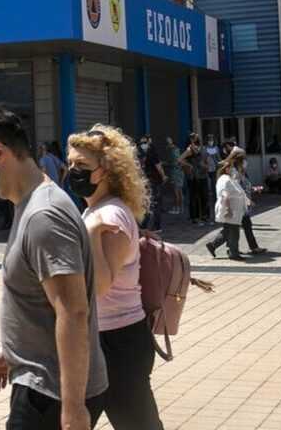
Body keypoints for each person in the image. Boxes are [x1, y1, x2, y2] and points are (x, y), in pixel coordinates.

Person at [0, 105, 107, 429]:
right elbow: (40, 300)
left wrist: (73, 408)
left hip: (50, 393)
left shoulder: (44, 216)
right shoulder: (29, 204)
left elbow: (73, 311)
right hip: (40, 381)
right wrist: (13, 349)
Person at [67, 126, 164, 430]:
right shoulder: (96, 211)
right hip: (105, 337)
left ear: (106, 170)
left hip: (118, 342)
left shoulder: (108, 216)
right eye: (70, 163)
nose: (73, 171)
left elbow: (100, 285)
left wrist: (92, 235)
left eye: (82, 164)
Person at [207, 150, 248, 261]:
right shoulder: (225, 180)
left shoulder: (227, 178)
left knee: (228, 231)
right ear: (226, 169)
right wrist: (229, 209)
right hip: (230, 209)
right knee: (234, 232)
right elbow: (225, 195)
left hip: (233, 209)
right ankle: (233, 253)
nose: (232, 169)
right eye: (230, 168)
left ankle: (213, 245)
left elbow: (238, 191)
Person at [178, 134, 210, 225]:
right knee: (194, 197)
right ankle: (195, 217)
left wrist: (205, 166)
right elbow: (179, 159)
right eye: (192, 138)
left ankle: (205, 216)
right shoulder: (189, 149)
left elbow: (207, 162)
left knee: (204, 196)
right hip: (193, 177)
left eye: (195, 137)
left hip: (203, 175)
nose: (195, 139)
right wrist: (189, 165)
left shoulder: (203, 149)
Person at [139, 136, 166, 232]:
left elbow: (158, 166)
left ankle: (154, 226)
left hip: (154, 181)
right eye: (141, 143)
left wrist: (163, 176)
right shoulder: (144, 154)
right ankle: (146, 225)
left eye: (145, 142)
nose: (143, 145)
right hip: (149, 181)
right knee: (149, 203)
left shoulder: (152, 153)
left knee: (153, 203)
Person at [164, 136, 184, 215]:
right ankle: (181, 208)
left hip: (175, 172)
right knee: (179, 191)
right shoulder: (177, 149)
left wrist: (164, 163)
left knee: (176, 192)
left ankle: (177, 208)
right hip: (179, 172)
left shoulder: (172, 151)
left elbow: (173, 162)